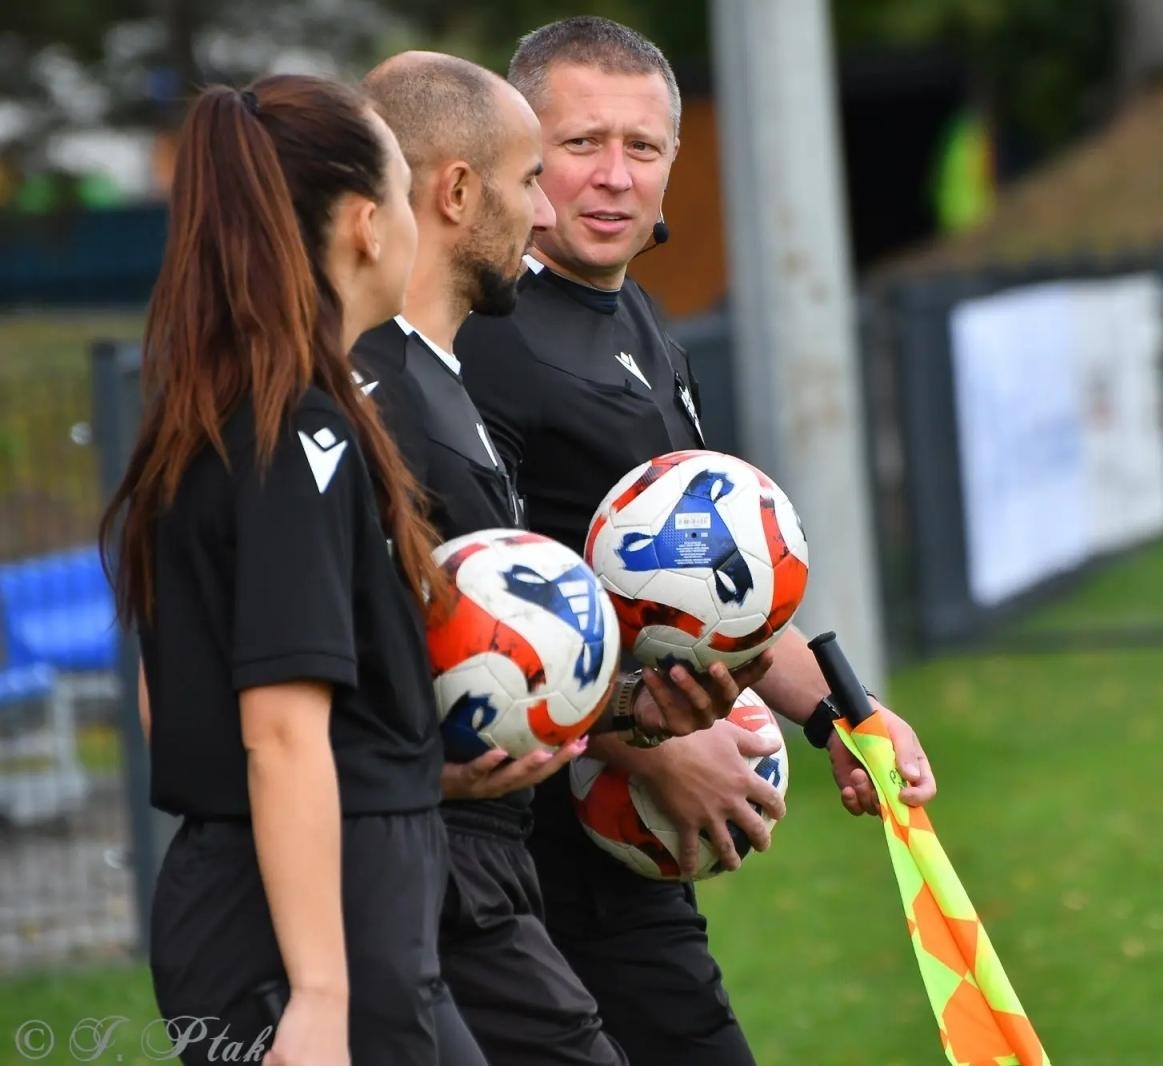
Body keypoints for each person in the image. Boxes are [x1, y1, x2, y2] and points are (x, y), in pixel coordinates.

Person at [457, 18, 938, 1066]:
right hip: (516, 857)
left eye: (644, 147)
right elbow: (464, 622)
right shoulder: (480, 344)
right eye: (582, 142)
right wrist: (652, 746)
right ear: (518, 154)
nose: (614, 176)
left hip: (621, 868)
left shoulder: (639, 325)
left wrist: (842, 718)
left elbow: (713, 603)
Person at [102, 75, 485, 1064]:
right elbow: (276, 729)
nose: (410, 219)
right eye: (402, 193)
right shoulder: (295, 435)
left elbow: (170, 702)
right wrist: (318, 993)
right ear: (364, 225)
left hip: (321, 904)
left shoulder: (224, 418)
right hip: (307, 940)